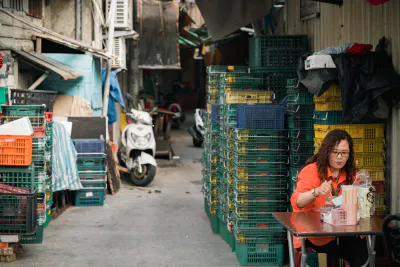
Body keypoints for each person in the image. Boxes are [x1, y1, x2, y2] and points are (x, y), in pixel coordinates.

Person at [290, 129, 369, 266]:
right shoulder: (311, 171)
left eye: (344, 153)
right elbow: (297, 202)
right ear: (326, 152)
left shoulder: (350, 173)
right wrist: (316, 191)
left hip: (342, 231)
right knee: (355, 252)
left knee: (365, 247)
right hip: (315, 233)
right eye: (335, 152)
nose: (339, 157)